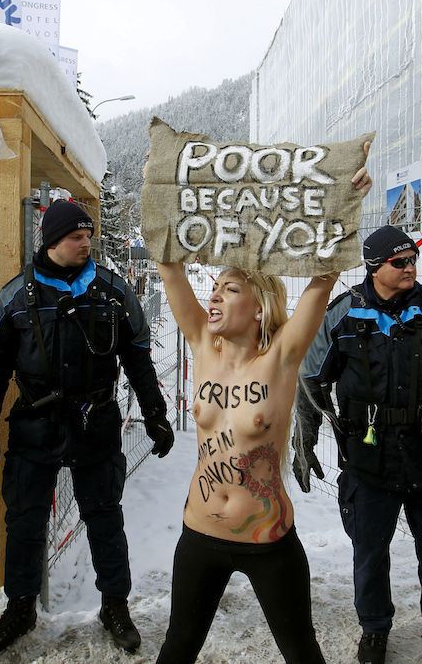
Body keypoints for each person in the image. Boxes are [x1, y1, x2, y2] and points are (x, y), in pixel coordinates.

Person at [151, 157, 373, 664]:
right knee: (177, 648)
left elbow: (323, 279)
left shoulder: (281, 359)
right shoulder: (201, 345)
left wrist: (345, 205)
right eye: (214, 287)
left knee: (301, 652)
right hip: (200, 534)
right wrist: (159, 180)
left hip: (268, 538)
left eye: (230, 288)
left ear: (259, 306)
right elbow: (168, 264)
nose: (214, 295)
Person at [0, 200, 175, 658]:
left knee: (104, 517)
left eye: (88, 236)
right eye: (76, 237)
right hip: (34, 427)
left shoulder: (112, 291)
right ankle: (20, 607)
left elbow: (138, 356)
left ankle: (115, 605)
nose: (86, 244)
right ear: (51, 240)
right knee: (25, 520)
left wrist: (155, 412)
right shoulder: (15, 296)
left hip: (95, 425)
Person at [293, 224, 422, 664]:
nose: (410, 267)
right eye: (399, 262)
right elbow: (310, 379)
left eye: (413, 259)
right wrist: (304, 441)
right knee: (369, 555)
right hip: (369, 461)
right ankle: (374, 631)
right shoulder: (345, 313)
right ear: (373, 267)